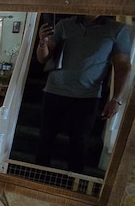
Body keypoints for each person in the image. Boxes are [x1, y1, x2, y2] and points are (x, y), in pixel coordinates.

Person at [34, 14, 132, 174]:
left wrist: (116, 99)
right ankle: (36, 180)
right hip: (54, 91)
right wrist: (43, 42)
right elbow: (42, 58)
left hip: (87, 97)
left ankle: (72, 186)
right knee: (45, 139)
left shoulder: (116, 29)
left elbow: (123, 66)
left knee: (79, 144)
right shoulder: (64, 24)